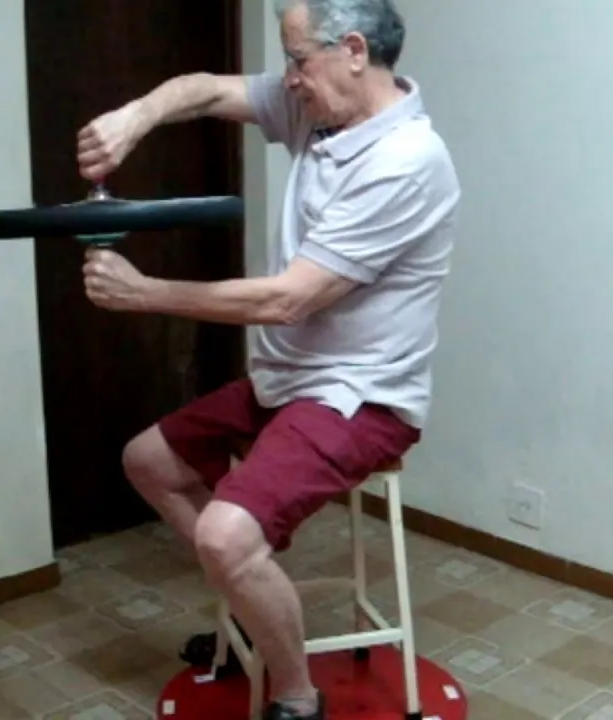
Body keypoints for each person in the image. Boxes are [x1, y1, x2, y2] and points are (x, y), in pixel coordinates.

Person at [75, 1, 459, 717]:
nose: (287, 78)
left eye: (296, 59)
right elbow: (204, 90)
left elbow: (289, 300)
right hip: (288, 381)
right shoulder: (320, 111)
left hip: (362, 398)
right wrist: (135, 117)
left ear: (352, 51)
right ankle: (254, 599)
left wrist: (145, 293)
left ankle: (296, 695)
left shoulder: (407, 162)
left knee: (224, 534)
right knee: (148, 461)